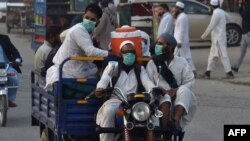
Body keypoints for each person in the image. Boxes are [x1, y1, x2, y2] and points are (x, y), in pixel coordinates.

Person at [95, 40, 171, 141]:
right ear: (121, 54)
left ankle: (156, 136)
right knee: (108, 111)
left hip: (134, 101)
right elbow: (104, 80)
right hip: (115, 100)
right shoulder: (112, 67)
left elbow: (147, 82)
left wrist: (154, 89)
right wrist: (101, 88)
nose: (129, 55)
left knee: (152, 112)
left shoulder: (140, 69)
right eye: (126, 52)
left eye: (132, 52)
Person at [45, 4, 117, 91]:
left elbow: (62, 36)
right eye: (87, 18)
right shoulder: (79, 30)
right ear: (83, 17)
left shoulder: (84, 30)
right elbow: (90, 51)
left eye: (92, 19)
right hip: (70, 72)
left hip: (72, 68)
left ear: (97, 22)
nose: (89, 21)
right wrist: (110, 54)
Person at [146, 33, 197, 141]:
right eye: (157, 44)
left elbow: (190, 81)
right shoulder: (152, 63)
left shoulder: (181, 62)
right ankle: (165, 134)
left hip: (177, 95)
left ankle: (175, 121)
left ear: (170, 47)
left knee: (185, 90)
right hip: (159, 96)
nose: (157, 46)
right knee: (165, 97)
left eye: (160, 44)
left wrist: (176, 90)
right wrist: (161, 90)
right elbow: (148, 82)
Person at [201, 0, 234, 79]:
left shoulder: (216, 14)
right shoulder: (221, 12)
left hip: (218, 39)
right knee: (213, 56)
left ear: (211, 6)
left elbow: (211, 26)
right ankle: (208, 72)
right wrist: (222, 24)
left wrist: (203, 36)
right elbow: (229, 18)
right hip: (219, 38)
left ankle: (229, 72)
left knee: (223, 56)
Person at [173, 1, 197, 77]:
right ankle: (188, 71)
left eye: (176, 8)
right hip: (179, 40)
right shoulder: (180, 16)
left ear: (179, 9)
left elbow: (182, 30)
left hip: (181, 41)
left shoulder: (183, 17)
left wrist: (179, 41)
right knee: (181, 56)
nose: (174, 9)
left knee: (186, 57)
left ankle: (193, 71)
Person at [0, 34, 22, 107]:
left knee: (14, 80)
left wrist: (17, 59)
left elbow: (14, 51)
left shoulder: (4, 38)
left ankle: (9, 99)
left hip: (6, 67)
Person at [231, 0, 250, 72]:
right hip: (245, 32)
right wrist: (241, 5)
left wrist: (240, 6)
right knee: (242, 51)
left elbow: (244, 15)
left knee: (242, 51)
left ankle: (236, 66)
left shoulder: (249, 5)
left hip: (248, 31)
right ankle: (236, 66)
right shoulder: (247, 4)